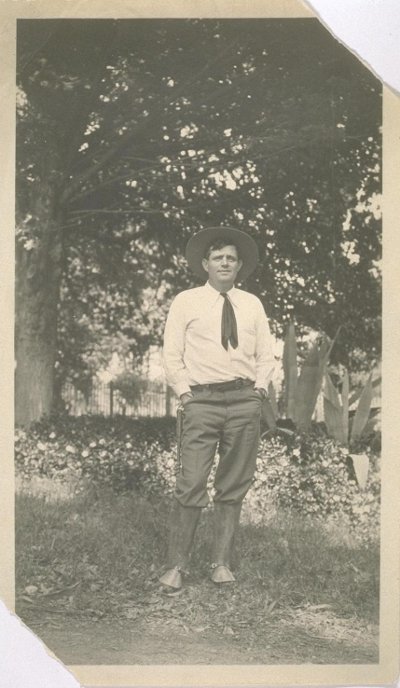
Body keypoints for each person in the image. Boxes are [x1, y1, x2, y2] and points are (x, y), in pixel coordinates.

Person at [160, 226, 275, 590]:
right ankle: (176, 567)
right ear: (205, 264)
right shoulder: (186, 301)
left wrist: (258, 392)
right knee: (191, 481)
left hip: (243, 402)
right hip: (201, 402)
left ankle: (221, 564)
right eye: (218, 258)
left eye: (231, 258)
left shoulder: (252, 304)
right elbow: (171, 354)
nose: (225, 263)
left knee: (233, 484)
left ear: (239, 266)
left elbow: (266, 355)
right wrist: (184, 394)